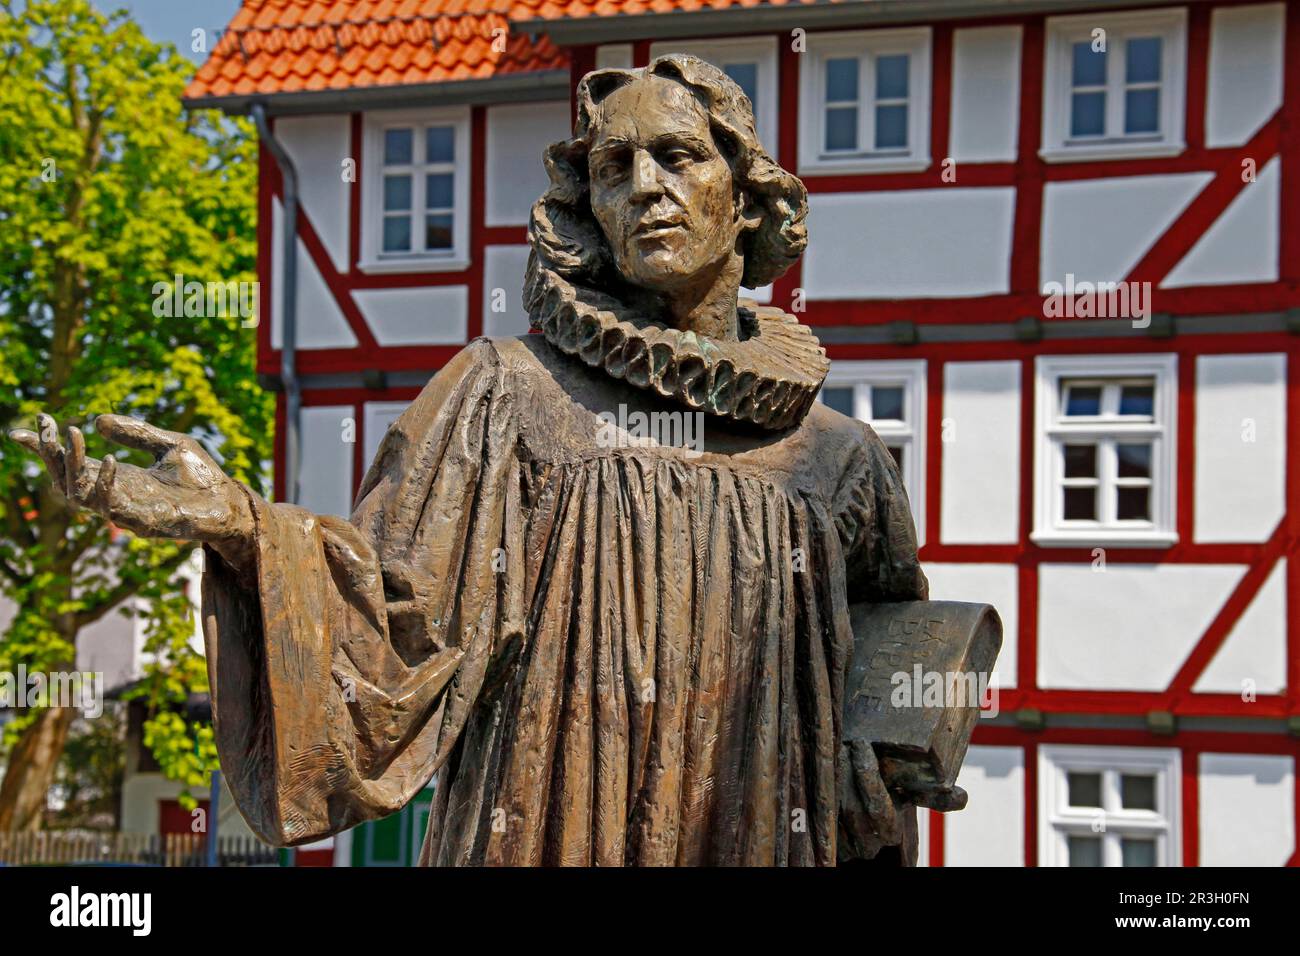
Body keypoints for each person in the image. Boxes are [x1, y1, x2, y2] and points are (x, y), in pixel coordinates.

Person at [14, 55, 945, 866]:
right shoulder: (506, 397)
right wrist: (244, 527)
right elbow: (385, 618)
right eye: (614, 169)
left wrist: (876, 753)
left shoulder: (835, 458)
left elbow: (895, 653)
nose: (646, 187)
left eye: (678, 156)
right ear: (590, 213)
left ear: (744, 200)